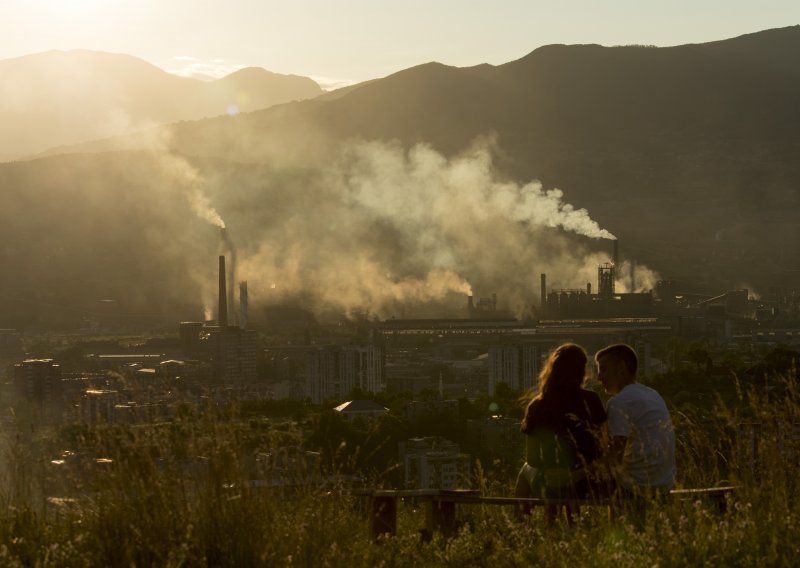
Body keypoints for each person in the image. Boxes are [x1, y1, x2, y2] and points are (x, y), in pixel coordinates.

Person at [515, 343, 607, 524]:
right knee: (562, 485)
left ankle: (522, 524)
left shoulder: (538, 406)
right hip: (588, 483)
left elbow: (532, 458)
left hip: (552, 483)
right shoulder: (592, 400)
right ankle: (574, 526)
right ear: (582, 372)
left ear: (551, 370)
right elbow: (604, 446)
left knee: (525, 471)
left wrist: (554, 468)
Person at [595, 344, 676, 518]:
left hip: (634, 489)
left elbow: (615, 458)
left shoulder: (619, 402)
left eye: (604, 370)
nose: (599, 377)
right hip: (664, 485)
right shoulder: (653, 394)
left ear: (621, 368)